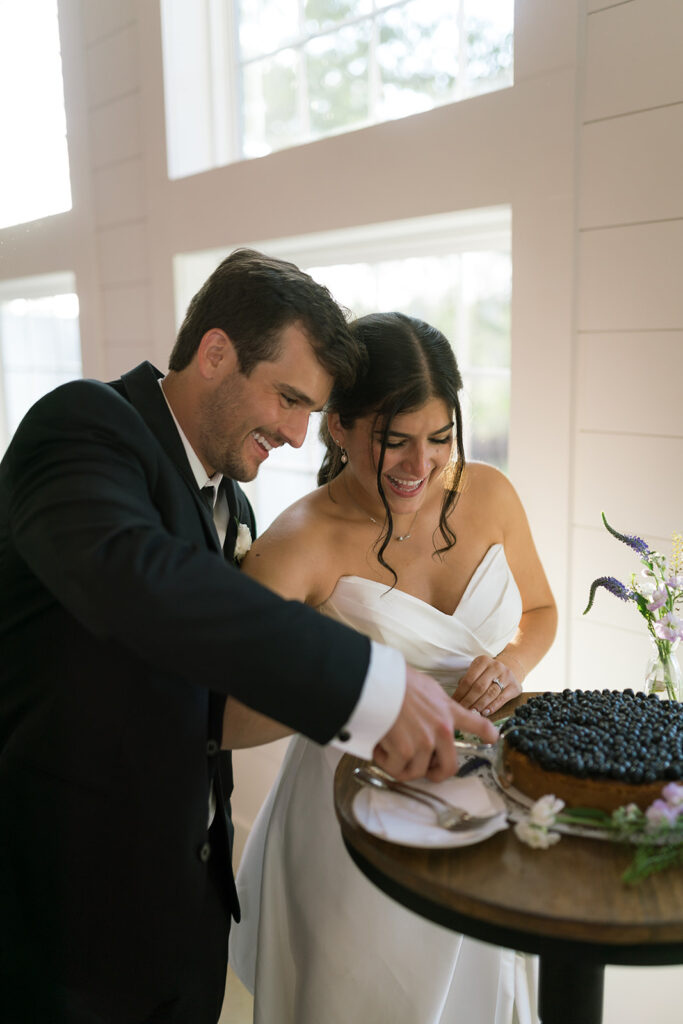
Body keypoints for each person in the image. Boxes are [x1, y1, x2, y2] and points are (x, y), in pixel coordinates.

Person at [0, 252, 497, 1024]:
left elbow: (201, 701)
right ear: (216, 353)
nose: (300, 436)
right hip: (64, 915)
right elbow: (136, 577)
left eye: (312, 410)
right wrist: (367, 680)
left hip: (185, 914)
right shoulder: (82, 426)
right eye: (289, 398)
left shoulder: (230, 501)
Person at [229, 311, 558, 1024]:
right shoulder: (297, 543)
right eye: (394, 441)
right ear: (338, 426)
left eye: (439, 439)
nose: (420, 466)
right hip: (351, 821)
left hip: (482, 807)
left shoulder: (491, 494)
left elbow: (540, 613)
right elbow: (221, 712)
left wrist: (510, 665)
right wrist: (354, 697)